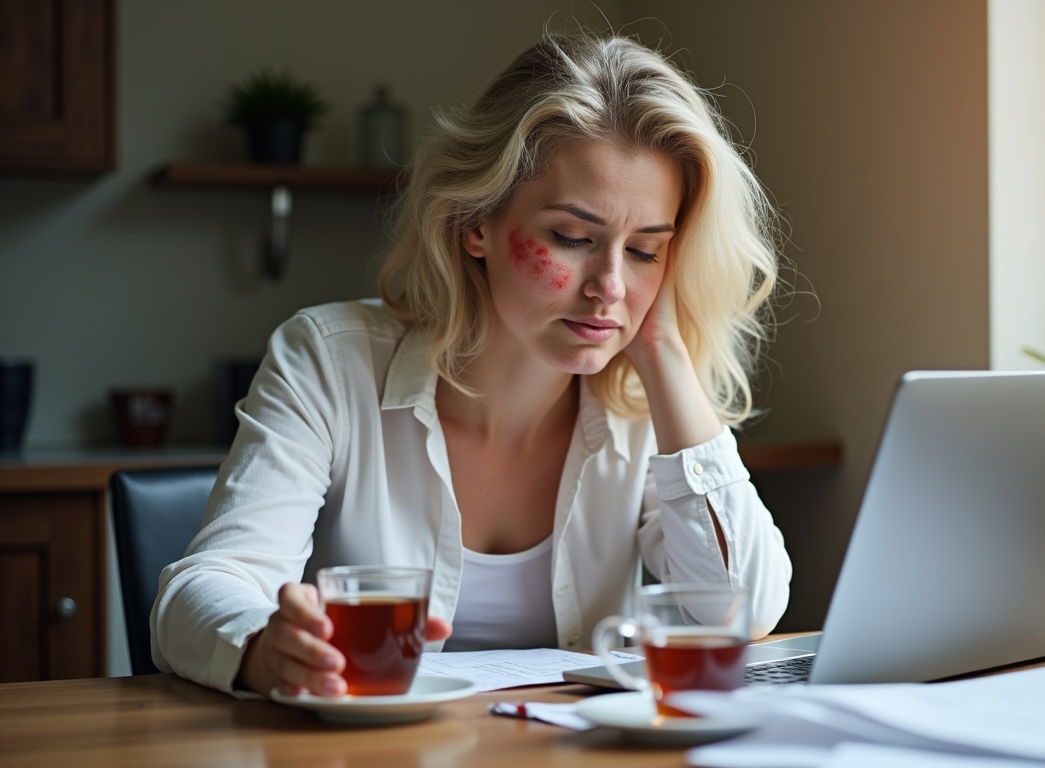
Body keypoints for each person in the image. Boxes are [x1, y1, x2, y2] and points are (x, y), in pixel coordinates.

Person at [151, 33, 793, 698]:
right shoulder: (329, 360)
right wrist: (265, 648)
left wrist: (661, 349)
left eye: (644, 251)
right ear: (475, 222)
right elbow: (202, 590)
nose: (609, 286)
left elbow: (742, 610)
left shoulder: (647, 406)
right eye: (572, 238)